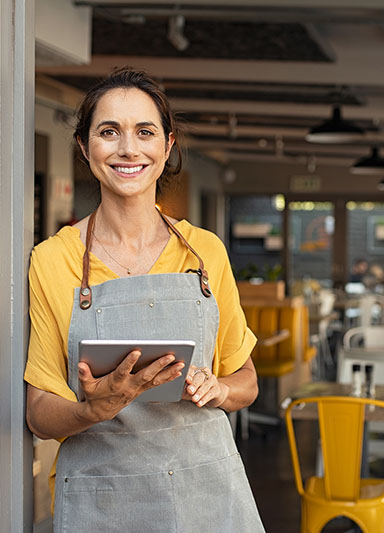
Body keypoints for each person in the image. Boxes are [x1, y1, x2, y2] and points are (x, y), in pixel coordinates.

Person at [24, 68, 264, 532]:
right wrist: (93, 408)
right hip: (104, 499)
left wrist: (221, 389)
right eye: (108, 131)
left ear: (167, 145)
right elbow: (39, 413)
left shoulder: (204, 252)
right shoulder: (53, 260)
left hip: (205, 492)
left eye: (145, 132)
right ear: (84, 146)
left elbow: (246, 379)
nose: (128, 149)